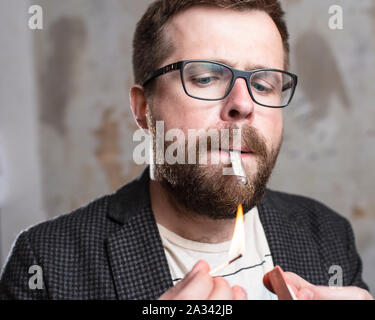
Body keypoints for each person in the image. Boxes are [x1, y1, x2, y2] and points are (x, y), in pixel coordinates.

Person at [0, 0, 372, 300]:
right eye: (206, 78)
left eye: (263, 83)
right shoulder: (47, 265)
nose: (243, 105)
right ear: (143, 109)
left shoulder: (328, 235)